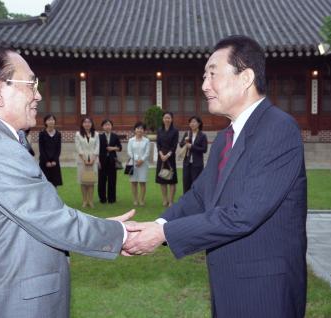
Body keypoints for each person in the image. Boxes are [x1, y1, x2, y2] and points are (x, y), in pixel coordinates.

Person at [124, 35, 307, 318]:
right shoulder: (226, 137)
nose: (204, 86)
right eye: (203, 76)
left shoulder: (278, 130)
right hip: (228, 284)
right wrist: (158, 224)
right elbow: (200, 195)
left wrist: (164, 234)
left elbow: (244, 214)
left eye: (212, 75)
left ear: (246, 77)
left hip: (264, 290)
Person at [0, 46, 134, 318]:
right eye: (31, 84)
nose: (38, 94)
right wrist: (121, 234)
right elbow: (53, 221)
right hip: (13, 303)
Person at [75, 116, 99, 208]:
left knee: (91, 181)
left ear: (92, 124)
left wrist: (93, 159)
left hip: (93, 160)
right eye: (85, 122)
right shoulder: (78, 134)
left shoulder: (96, 134)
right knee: (83, 181)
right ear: (82, 124)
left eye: (89, 122)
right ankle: (85, 200)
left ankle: (90, 200)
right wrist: (84, 159)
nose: (87, 124)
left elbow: (97, 147)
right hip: (82, 160)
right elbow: (78, 147)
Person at [155, 111, 179, 206]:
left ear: (171, 119)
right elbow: (158, 144)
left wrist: (167, 155)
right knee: (162, 179)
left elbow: (174, 146)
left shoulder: (175, 131)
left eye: (169, 118)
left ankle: (171, 200)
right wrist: (161, 154)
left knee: (171, 180)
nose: (167, 119)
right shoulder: (159, 130)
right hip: (161, 156)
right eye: (165, 118)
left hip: (170, 157)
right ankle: (164, 199)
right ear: (163, 119)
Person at [179, 116, 208, 193]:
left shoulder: (202, 136)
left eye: (194, 122)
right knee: (186, 183)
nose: (192, 124)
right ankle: (186, 201)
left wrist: (192, 146)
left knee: (196, 183)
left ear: (199, 124)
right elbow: (181, 145)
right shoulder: (187, 133)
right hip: (187, 163)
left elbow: (204, 149)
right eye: (191, 122)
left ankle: (196, 202)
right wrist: (185, 142)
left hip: (197, 164)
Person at [98, 119, 122, 203]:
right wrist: (98, 161)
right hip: (102, 161)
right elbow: (97, 150)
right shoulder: (99, 137)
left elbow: (120, 148)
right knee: (101, 180)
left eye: (109, 125)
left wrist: (113, 148)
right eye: (105, 125)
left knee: (112, 180)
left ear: (111, 126)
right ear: (102, 127)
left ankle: (112, 199)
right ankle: (102, 198)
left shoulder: (115, 136)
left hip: (112, 161)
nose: (107, 126)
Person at [127, 122, 150, 206]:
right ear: (135, 130)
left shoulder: (146, 140)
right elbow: (129, 152)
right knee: (134, 182)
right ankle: (135, 200)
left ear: (144, 130)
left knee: (142, 182)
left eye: (141, 128)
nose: (139, 130)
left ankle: (142, 200)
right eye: (138, 128)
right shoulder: (131, 140)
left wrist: (141, 160)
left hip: (143, 164)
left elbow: (147, 153)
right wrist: (136, 159)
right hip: (133, 163)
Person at [39, 114, 62, 187]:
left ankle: (53, 198)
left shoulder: (58, 134)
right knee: (44, 183)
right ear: (45, 122)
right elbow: (41, 149)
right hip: (44, 162)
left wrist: (55, 160)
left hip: (55, 162)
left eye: (52, 119)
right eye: (49, 120)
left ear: (55, 121)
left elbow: (58, 149)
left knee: (54, 183)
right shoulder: (42, 133)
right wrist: (47, 161)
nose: (51, 121)